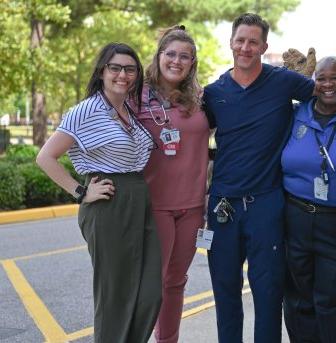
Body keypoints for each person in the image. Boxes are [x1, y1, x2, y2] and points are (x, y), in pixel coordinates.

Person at [36, 43, 161, 343]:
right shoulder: (86, 110)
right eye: (115, 68)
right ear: (102, 71)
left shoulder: (128, 108)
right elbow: (45, 157)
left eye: (130, 69)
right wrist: (81, 192)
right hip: (109, 203)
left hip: (138, 197)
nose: (123, 75)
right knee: (114, 295)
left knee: (150, 293)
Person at [202, 13, 315, 343]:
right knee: (225, 294)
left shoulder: (283, 82)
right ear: (231, 43)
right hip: (223, 206)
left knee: (268, 295)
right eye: (240, 40)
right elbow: (193, 138)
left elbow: (331, 92)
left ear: (264, 46)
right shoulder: (213, 92)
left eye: (253, 42)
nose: (246, 47)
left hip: (267, 204)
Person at [135, 26, 209, 343]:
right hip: (155, 205)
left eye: (184, 56)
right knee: (153, 281)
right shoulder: (134, 95)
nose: (176, 61)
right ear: (159, 56)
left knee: (176, 280)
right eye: (170, 54)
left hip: (193, 206)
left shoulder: (202, 98)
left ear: (192, 63)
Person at [281, 57, 336, 343]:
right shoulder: (295, 114)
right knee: (298, 296)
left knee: (333, 297)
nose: (327, 84)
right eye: (321, 78)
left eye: (335, 78)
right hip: (295, 216)